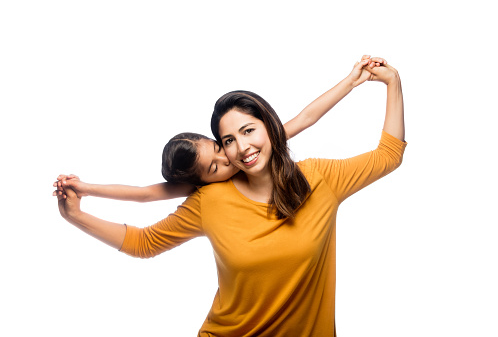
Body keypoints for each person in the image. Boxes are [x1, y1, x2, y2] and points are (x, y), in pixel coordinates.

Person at [55, 56, 406, 336]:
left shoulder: (319, 179)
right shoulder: (211, 199)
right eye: (227, 142)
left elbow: (387, 155)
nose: (240, 150)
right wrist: (76, 214)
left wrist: (391, 83)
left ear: (268, 127)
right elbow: (143, 239)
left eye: (249, 131)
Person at [54, 56, 383, 202]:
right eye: (213, 168)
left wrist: (352, 81)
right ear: (201, 181)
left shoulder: (245, 149)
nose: (228, 160)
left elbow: (305, 118)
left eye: (218, 149)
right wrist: (86, 187)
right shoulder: (205, 190)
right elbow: (144, 194)